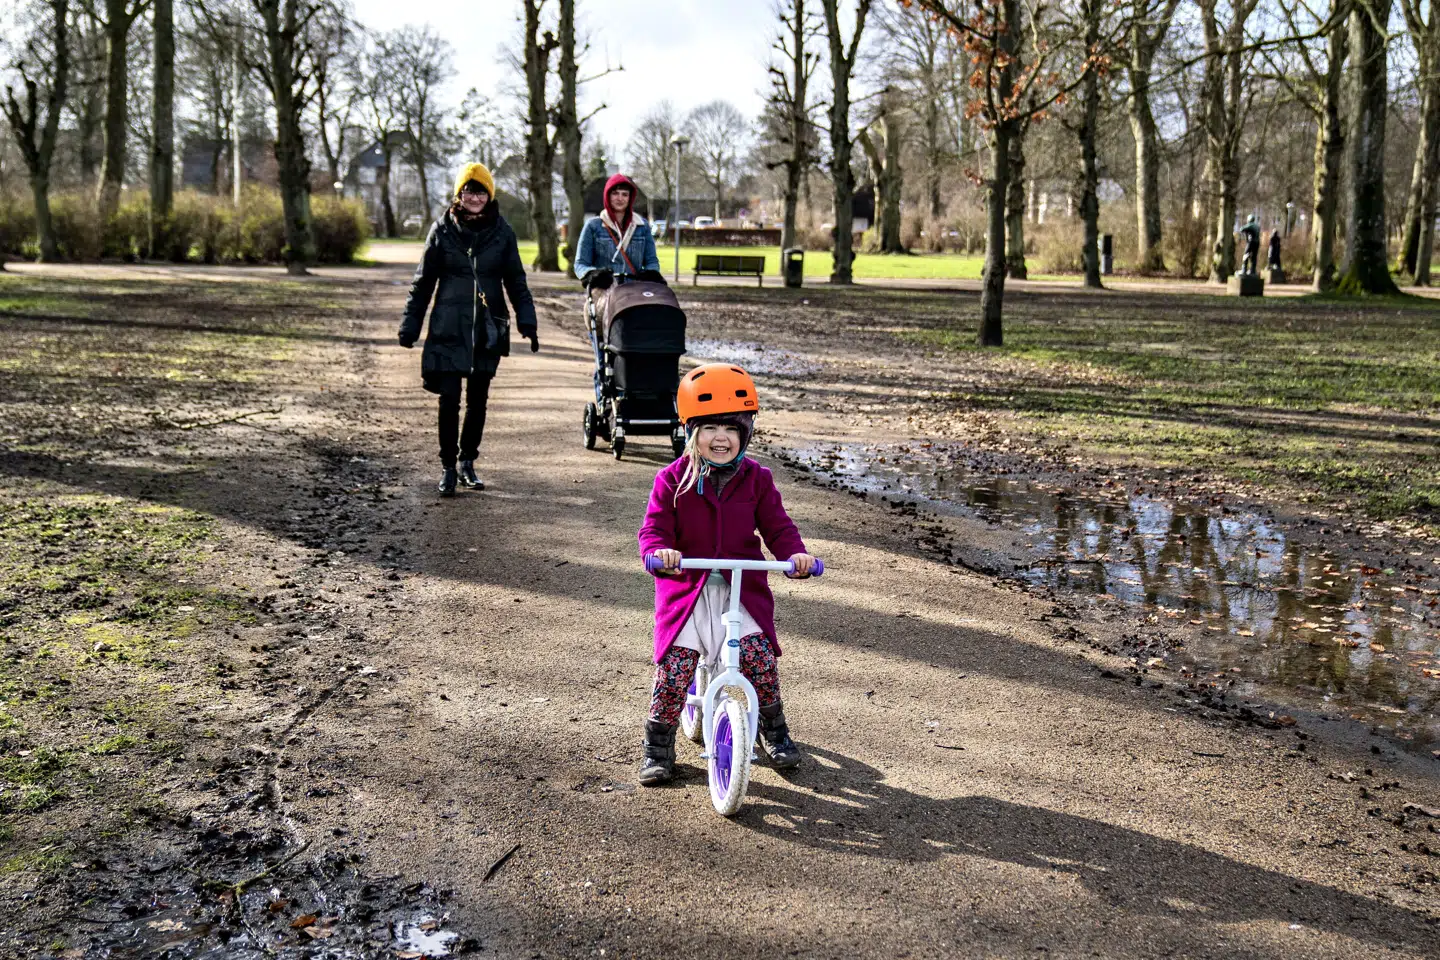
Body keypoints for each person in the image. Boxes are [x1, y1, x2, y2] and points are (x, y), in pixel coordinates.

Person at [635, 363, 816, 785]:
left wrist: (797, 556)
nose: (721, 438)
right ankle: (658, 745)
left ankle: (774, 730)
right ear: (691, 432)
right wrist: (658, 552)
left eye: (732, 429)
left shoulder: (758, 480)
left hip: (740, 590)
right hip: (687, 592)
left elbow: (778, 527)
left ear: (746, 432)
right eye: (710, 428)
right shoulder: (672, 480)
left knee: (760, 661)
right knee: (675, 669)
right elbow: (654, 528)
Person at [399, 163, 538, 497]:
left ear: (488, 195)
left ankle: (467, 461)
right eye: (468, 190)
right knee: (449, 400)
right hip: (448, 328)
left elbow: (516, 281)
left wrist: (528, 321)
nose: (474, 197)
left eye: (480, 191)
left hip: (487, 330)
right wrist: (410, 324)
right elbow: (423, 283)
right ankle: (447, 465)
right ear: (458, 194)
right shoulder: (441, 231)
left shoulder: (503, 233)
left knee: (478, 401)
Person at [573, 173, 664, 288]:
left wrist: (650, 273)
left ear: (630, 198)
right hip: (603, 291)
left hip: (634, 290)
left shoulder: (642, 226)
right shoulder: (593, 226)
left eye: (625, 194)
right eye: (615, 193)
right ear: (608, 196)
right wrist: (593, 274)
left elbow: (652, 261)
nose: (620, 198)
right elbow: (580, 264)